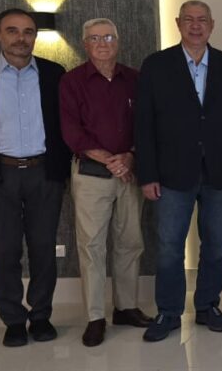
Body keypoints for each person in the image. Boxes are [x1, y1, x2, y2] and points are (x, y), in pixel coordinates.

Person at [0, 8, 71, 347]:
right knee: (4, 251)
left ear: (35, 37)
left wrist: (62, 172)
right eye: (12, 30)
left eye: (28, 31)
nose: (21, 38)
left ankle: (41, 315)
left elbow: (67, 126)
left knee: (44, 249)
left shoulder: (53, 74)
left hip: (44, 174)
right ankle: (14, 320)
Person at [136, 0, 222, 342]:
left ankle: (208, 306)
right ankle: (168, 312)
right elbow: (143, 124)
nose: (195, 26)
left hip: (219, 172)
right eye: (189, 20)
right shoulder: (156, 65)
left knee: (216, 245)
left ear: (212, 25)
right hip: (171, 174)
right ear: (178, 23)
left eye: (202, 20)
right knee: (169, 246)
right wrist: (147, 174)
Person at [59, 18, 153, 346]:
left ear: (118, 41)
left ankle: (126, 307)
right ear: (85, 44)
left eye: (109, 37)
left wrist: (130, 155)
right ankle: (95, 316)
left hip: (130, 171)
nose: (102, 44)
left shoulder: (135, 79)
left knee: (130, 241)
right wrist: (111, 160)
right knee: (92, 247)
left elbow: (146, 124)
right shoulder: (72, 81)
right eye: (95, 38)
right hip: (91, 174)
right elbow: (71, 131)